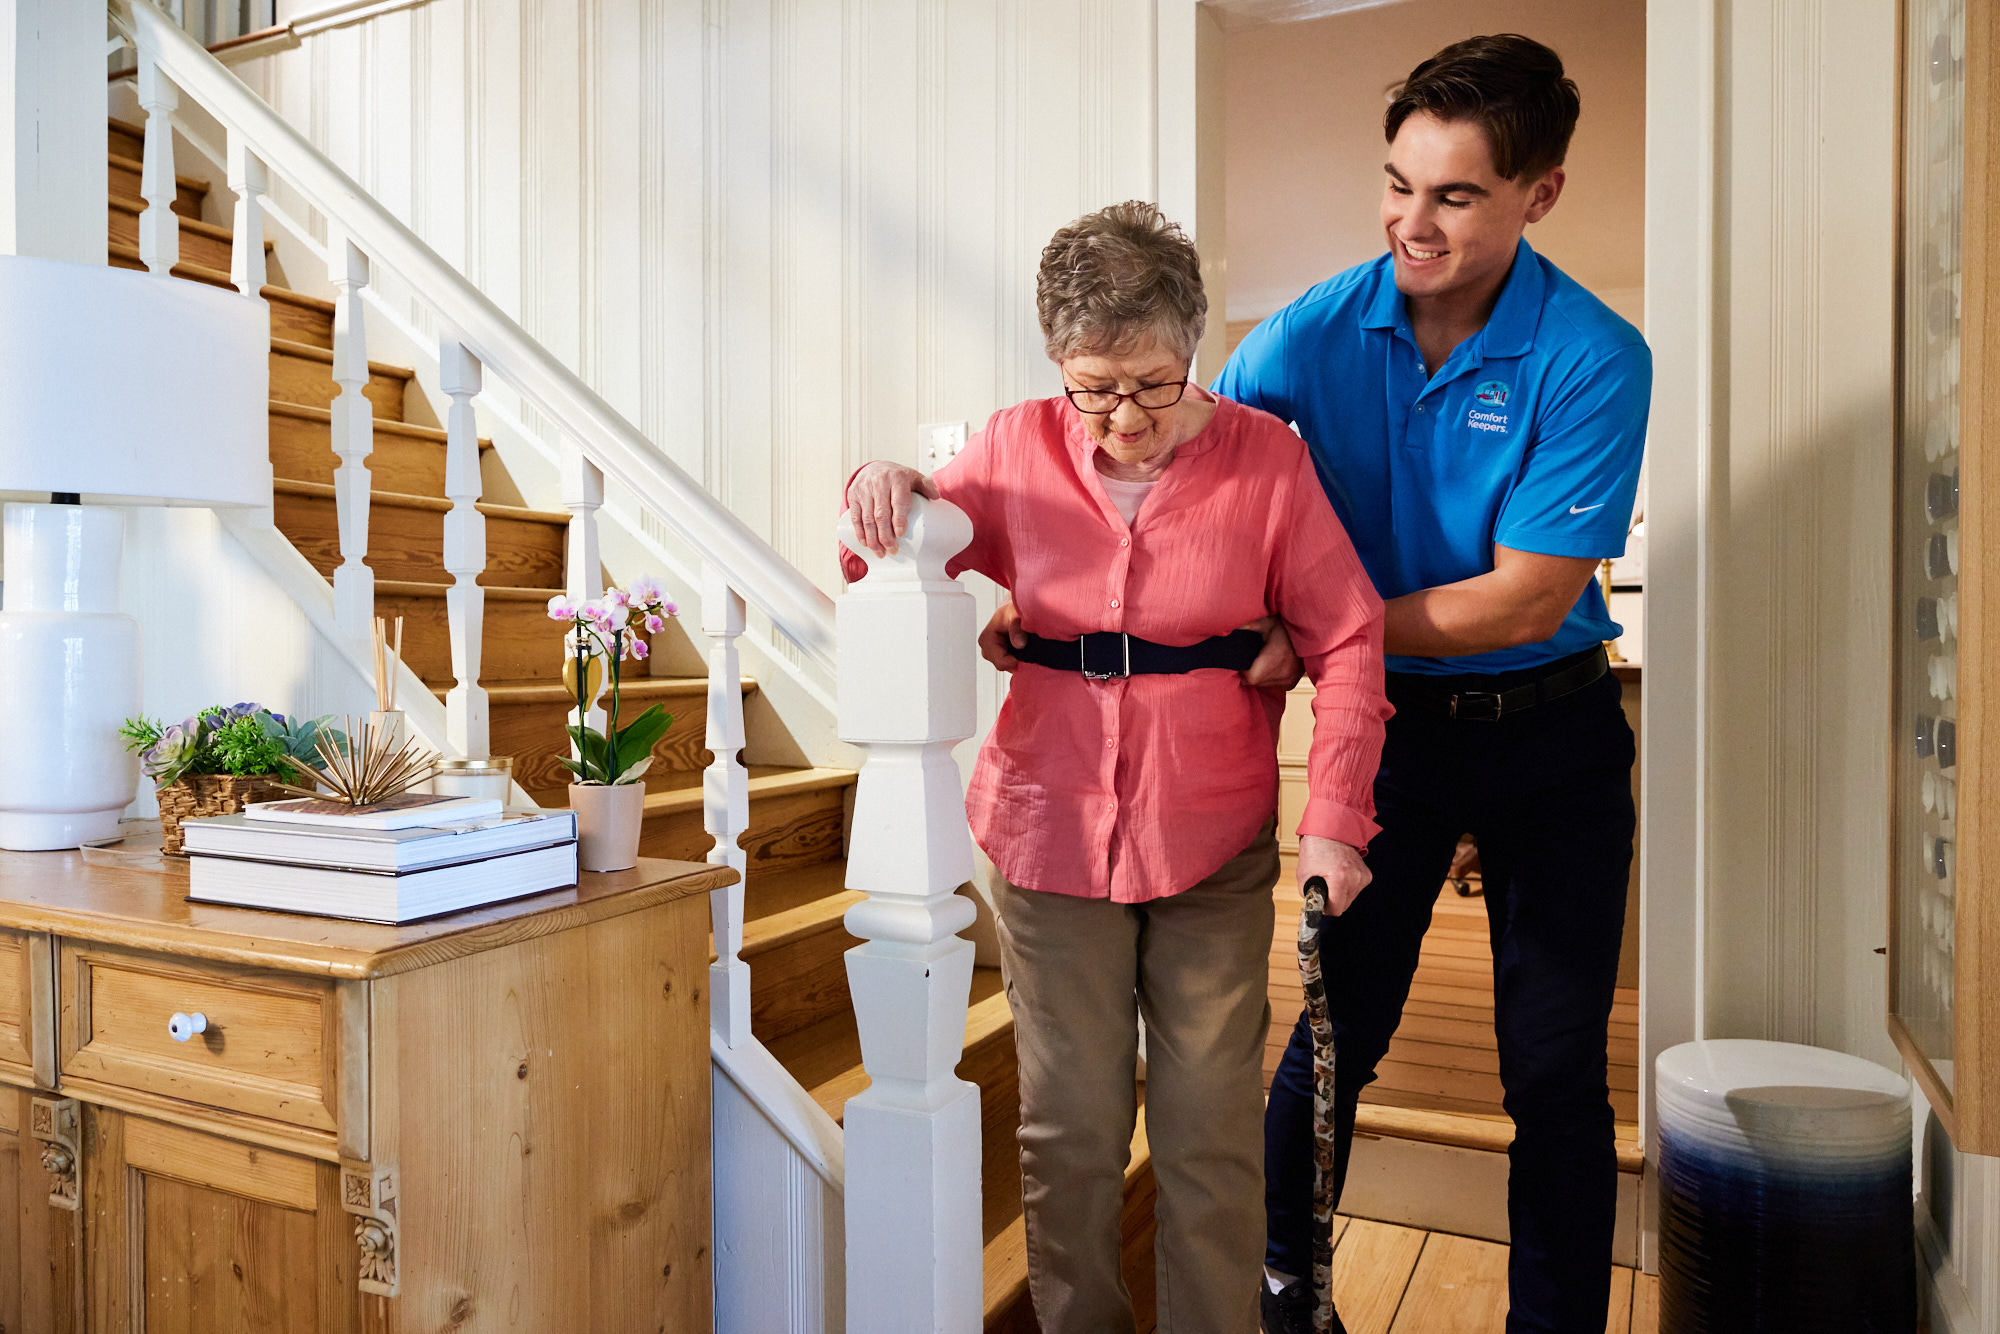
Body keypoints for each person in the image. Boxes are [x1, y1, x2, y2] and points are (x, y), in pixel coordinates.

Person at [983, 34, 1650, 1334]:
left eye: (1454, 195)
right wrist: (1047, 588)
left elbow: (1521, 593)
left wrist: (1325, 624)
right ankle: (1286, 1286)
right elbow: (1180, 471)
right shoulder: (1310, 327)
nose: (1412, 221)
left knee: (1555, 1071)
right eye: (1396, 183)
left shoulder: (1593, 355)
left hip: (1553, 732)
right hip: (1398, 736)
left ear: (1539, 194)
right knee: (1338, 1035)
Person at [843, 201, 1390, 1334]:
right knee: (1070, 1132)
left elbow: (1347, 633)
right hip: (1047, 835)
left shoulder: (1265, 462)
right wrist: (881, 482)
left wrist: (1335, 818)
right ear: (1058, 366)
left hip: (1210, 839)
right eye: (1094, 386)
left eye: (1151, 381)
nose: (1124, 416)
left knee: (1208, 1133)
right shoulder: (1009, 446)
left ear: (1190, 348)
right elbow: (881, 559)